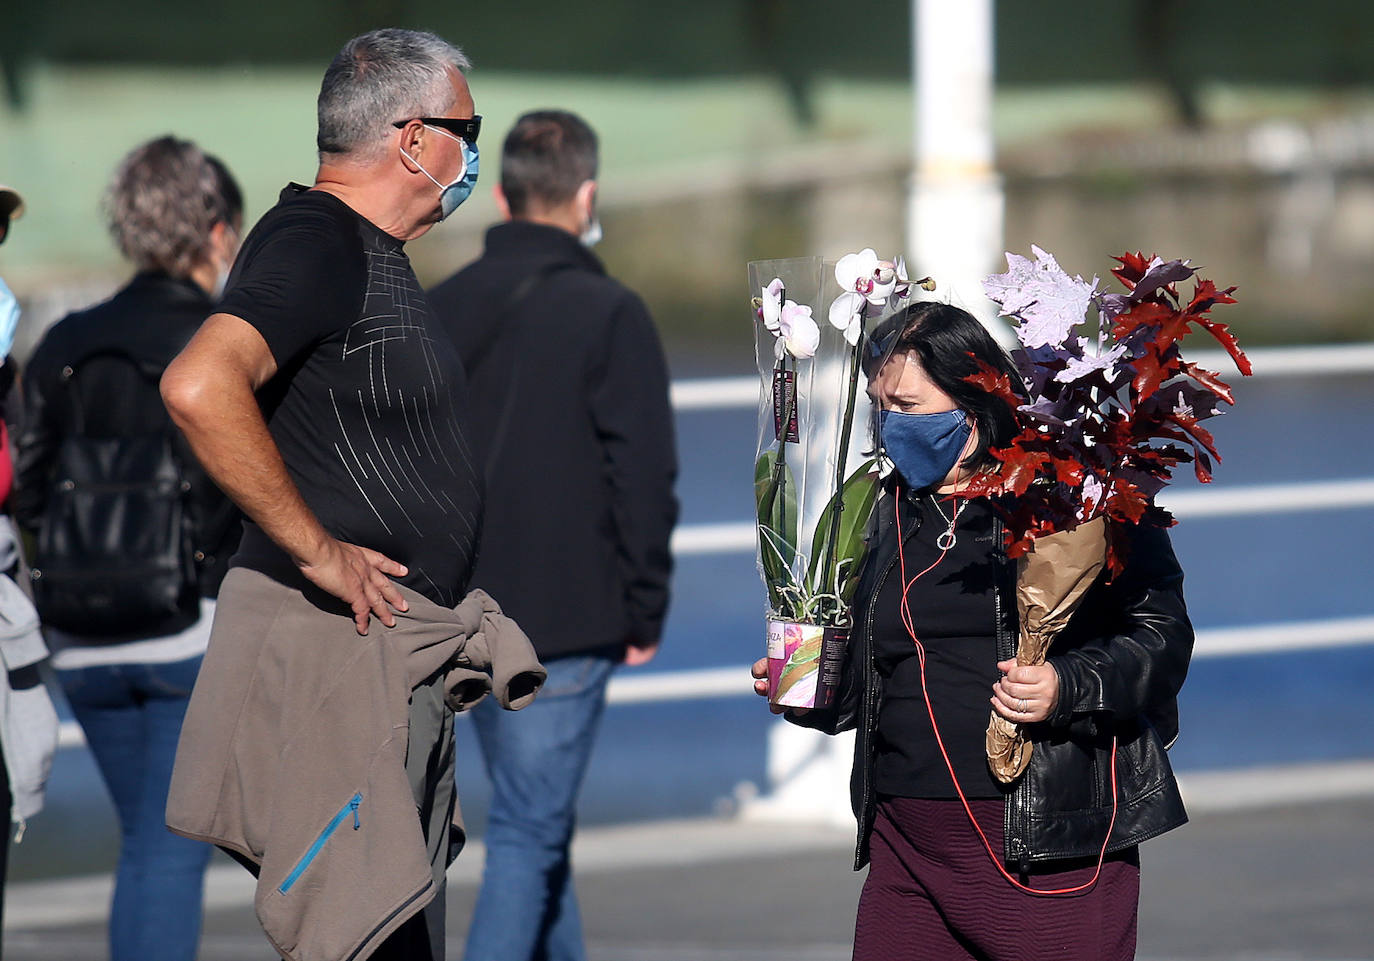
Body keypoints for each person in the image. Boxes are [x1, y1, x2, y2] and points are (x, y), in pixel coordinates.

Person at [159, 28, 489, 961]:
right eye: (469, 125)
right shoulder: (318, 240)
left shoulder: (360, 249)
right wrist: (319, 551)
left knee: (394, 934)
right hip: (340, 663)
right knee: (366, 943)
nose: (476, 149)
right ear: (415, 138)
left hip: (388, 660)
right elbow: (199, 384)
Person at [751, 301, 1194, 961]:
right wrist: (808, 684)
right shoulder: (881, 505)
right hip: (907, 848)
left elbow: (1162, 635)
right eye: (879, 405)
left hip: (1044, 850)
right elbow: (877, 683)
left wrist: (1065, 685)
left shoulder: (1073, 492)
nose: (888, 424)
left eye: (906, 403)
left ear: (973, 398)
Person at [427, 109, 678, 961]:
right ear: (587, 194)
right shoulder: (610, 311)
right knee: (533, 830)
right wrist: (645, 608)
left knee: (541, 822)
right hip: (566, 623)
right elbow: (643, 477)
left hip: (460, 614)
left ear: (498, 194)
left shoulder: (440, 307)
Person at [12, 138, 243, 961]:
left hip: (79, 632)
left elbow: (26, 488)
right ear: (217, 231)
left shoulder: (64, 342)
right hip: (191, 627)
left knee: (145, 840)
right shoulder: (225, 338)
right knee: (168, 848)